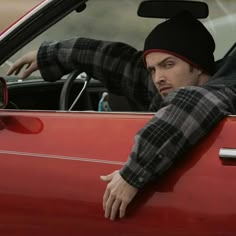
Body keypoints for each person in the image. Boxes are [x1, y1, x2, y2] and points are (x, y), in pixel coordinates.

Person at [7, 11, 236, 221]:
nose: (158, 78)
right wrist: (50, 55)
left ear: (198, 66)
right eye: (153, 69)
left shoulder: (225, 88)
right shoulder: (171, 82)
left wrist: (131, 175)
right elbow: (120, 63)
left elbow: (193, 104)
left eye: (168, 65)